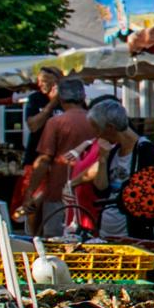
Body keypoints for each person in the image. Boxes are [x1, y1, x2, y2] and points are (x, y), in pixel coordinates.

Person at [71, 98, 154, 239]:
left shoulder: (145, 152)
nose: (97, 135)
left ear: (110, 127)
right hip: (107, 231)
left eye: (97, 129)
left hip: (134, 234)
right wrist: (103, 159)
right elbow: (101, 190)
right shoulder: (113, 151)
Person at [20, 79, 95, 236]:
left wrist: (30, 192)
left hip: (59, 192)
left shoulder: (55, 122)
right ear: (83, 97)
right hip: (91, 190)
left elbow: (44, 160)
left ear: (60, 98)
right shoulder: (96, 120)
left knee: (56, 241)